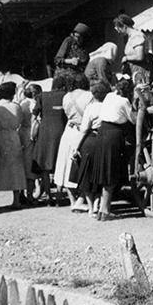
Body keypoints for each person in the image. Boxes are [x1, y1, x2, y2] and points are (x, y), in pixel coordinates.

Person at [93, 79, 136, 221]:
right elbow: (133, 120)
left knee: (104, 170)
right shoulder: (124, 101)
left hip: (102, 132)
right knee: (110, 171)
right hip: (114, 135)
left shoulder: (109, 96)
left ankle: (101, 209)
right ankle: (105, 210)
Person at [69, 80, 109, 216]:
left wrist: (76, 148)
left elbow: (84, 130)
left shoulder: (91, 108)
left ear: (93, 95)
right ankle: (98, 203)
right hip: (104, 140)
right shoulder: (109, 106)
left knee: (86, 174)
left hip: (91, 141)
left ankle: (91, 207)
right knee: (100, 174)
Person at [53, 74, 94, 207]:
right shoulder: (89, 96)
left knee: (66, 165)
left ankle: (72, 201)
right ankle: (82, 198)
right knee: (82, 166)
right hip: (83, 131)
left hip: (69, 131)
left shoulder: (66, 96)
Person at [0, 82, 27, 209]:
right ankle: (16, 199)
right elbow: (19, 121)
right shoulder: (16, 107)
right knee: (15, 167)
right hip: (12, 136)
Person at [32, 75, 68, 204]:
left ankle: (48, 195)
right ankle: (59, 193)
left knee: (45, 166)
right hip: (62, 132)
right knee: (60, 163)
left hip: (45, 133)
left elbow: (34, 115)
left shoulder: (42, 96)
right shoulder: (66, 95)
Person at [113, 14, 153, 87]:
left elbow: (139, 56)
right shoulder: (131, 37)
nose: (119, 32)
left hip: (139, 71)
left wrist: (127, 58)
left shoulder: (137, 36)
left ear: (124, 27)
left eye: (119, 29)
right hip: (133, 69)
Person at [19, 83, 42, 203]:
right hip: (31, 133)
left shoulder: (21, 104)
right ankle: (29, 195)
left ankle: (21, 193)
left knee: (22, 163)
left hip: (21, 132)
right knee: (30, 165)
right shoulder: (34, 104)